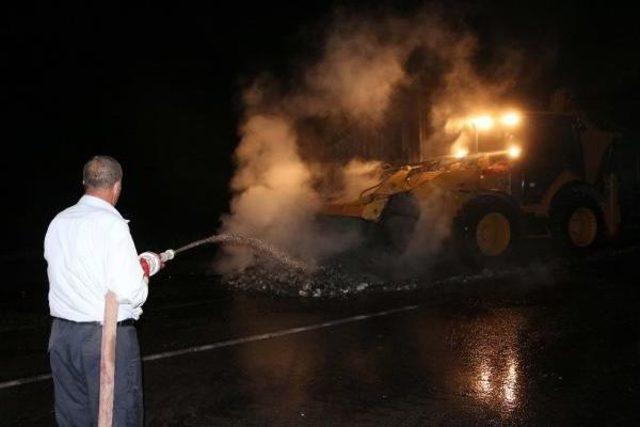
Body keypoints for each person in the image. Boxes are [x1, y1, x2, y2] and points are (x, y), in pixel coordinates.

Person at [45, 155, 160, 426]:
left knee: (75, 419)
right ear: (117, 186)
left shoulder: (58, 221)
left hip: (62, 338)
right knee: (118, 416)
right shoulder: (112, 225)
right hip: (105, 338)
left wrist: (138, 265)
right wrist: (145, 271)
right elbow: (131, 291)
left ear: (85, 182)